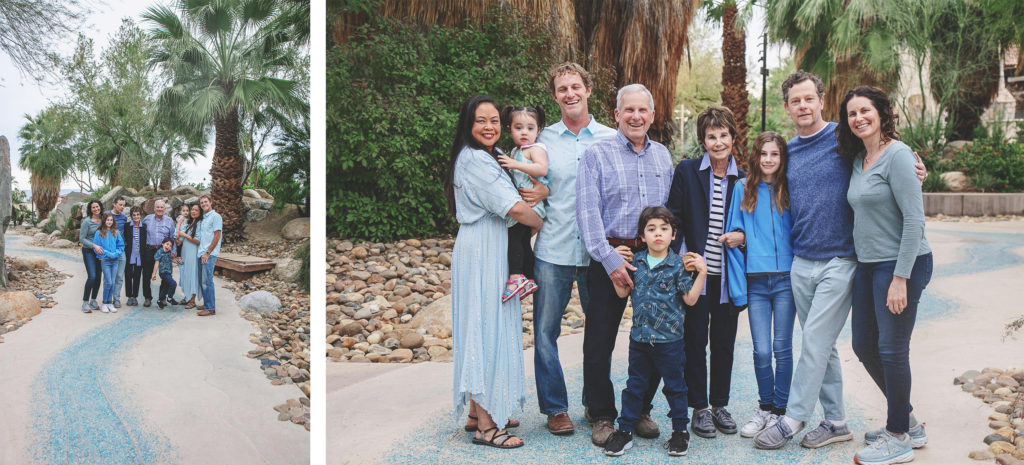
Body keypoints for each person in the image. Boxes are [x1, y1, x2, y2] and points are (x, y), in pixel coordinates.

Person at [753, 71, 926, 450]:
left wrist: (917, 173)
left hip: (842, 260)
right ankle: (837, 421)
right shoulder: (787, 150)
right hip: (802, 260)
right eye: (795, 101)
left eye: (808, 98)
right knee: (825, 344)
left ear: (820, 99)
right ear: (787, 107)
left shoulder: (842, 138)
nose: (803, 106)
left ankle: (793, 417)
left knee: (814, 338)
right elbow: (757, 180)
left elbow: (885, 155)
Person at [577, 83, 674, 446]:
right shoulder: (596, 154)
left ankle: (640, 408)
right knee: (598, 342)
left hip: (653, 260)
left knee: (655, 339)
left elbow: (668, 213)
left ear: (651, 115)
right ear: (616, 115)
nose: (636, 116)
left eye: (642, 110)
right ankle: (601, 414)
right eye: (628, 110)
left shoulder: (662, 156)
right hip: (610, 255)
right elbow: (587, 215)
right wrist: (610, 258)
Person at [839, 86, 932, 465]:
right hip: (868, 265)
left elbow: (914, 219)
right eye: (851, 114)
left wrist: (901, 278)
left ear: (881, 113)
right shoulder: (860, 157)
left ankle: (898, 438)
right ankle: (908, 420)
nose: (858, 118)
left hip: (901, 265)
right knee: (864, 346)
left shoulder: (897, 155)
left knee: (893, 351)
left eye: (865, 111)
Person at [444, 94, 543, 450]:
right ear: (468, 125)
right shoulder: (475, 161)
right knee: (484, 329)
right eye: (480, 120)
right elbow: (516, 208)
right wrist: (540, 221)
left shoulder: (486, 158)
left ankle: (476, 412)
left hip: (488, 245)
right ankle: (488, 428)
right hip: (483, 248)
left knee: (481, 324)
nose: (489, 127)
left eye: (494, 121)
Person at [531, 62, 616, 436]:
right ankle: (555, 408)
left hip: (598, 254)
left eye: (575, 86)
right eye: (562, 88)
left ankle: (595, 404)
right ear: (554, 96)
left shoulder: (612, 139)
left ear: (588, 89)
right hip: (554, 250)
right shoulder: (541, 141)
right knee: (545, 332)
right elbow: (530, 191)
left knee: (598, 333)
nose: (570, 93)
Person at [666, 105, 746, 439]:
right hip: (696, 275)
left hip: (729, 276)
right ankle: (699, 408)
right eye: (711, 136)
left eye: (723, 135)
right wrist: (677, 259)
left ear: (732, 137)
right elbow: (674, 216)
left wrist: (743, 237)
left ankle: (720, 404)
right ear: (703, 139)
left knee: (724, 342)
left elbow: (756, 222)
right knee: (695, 340)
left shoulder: (744, 178)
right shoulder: (687, 171)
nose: (717, 142)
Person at [603, 206, 707, 458]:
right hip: (639, 339)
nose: (658, 234)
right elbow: (622, 293)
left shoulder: (678, 265)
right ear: (642, 235)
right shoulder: (635, 262)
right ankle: (624, 431)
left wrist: (702, 272)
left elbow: (691, 300)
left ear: (673, 234)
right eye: (651, 229)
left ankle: (680, 432)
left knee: (675, 387)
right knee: (634, 386)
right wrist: (614, 266)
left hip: (670, 342)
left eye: (664, 229)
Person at [722, 131, 796, 438]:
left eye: (775, 154)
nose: (768, 160)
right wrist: (742, 242)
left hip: (786, 279)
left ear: (782, 158)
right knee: (762, 350)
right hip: (756, 281)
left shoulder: (790, 188)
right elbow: (732, 233)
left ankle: (781, 410)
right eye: (763, 154)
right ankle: (765, 407)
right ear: (756, 157)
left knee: (782, 347)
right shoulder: (742, 188)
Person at [496, 104, 548, 302]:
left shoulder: (535, 149)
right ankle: (529, 277)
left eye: (530, 128)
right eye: (519, 128)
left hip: (532, 204)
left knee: (515, 239)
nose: (524, 132)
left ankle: (516, 277)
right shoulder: (517, 150)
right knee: (523, 241)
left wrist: (514, 164)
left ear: (539, 130)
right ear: (509, 129)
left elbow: (542, 169)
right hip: (525, 203)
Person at [141, 200, 177, 307]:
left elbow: (173, 237)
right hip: (149, 249)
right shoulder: (147, 219)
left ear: (164, 209)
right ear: (154, 208)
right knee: (146, 275)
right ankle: (147, 298)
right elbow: (142, 233)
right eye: (158, 207)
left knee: (165, 275)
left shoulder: (169, 221)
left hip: (164, 251)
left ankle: (162, 298)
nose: (160, 209)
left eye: (162, 207)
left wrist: (173, 251)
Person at [93, 213, 125, 314]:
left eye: (111, 220)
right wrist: (108, 254)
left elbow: (121, 246)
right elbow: (97, 248)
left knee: (113, 282)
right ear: (104, 221)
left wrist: (115, 254)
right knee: (109, 282)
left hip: (115, 260)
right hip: (105, 261)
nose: (109, 222)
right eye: (107, 220)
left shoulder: (116, 232)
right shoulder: (99, 233)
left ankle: (110, 303)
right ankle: (104, 303)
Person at [196, 195, 222, 317]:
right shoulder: (204, 219)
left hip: (209, 254)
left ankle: (210, 308)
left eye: (206, 202)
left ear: (211, 202)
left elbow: (217, 236)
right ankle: (207, 303)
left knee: (207, 281)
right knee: (203, 281)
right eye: (201, 202)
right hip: (201, 253)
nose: (203, 204)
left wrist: (208, 253)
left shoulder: (216, 217)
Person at [79, 200, 104, 313]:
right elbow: (82, 238)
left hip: (101, 252)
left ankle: (93, 300)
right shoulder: (87, 222)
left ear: (100, 207)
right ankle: (85, 302)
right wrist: (94, 246)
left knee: (99, 277)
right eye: (93, 207)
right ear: (90, 209)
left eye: (97, 207)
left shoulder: (103, 219)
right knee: (92, 276)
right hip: (89, 251)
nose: (96, 209)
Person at [177, 204, 202, 308]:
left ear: (200, 212)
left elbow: (197, 240)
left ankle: (192, 300)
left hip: (192, 252)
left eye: (196, 210)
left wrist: (184, 235)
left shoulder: (200, 223)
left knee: (192, 275)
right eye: (192, 209)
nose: (193, 211)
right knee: (185, 274)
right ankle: (187, 296)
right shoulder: (188, 223)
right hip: (185, 252)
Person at [105, 197, 128, 309]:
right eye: (120, 205)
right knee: (108, 277)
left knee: (119, 276)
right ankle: (107, 299)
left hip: (121, 250)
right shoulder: (106, 215)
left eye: (124, 205)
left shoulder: (124, 218)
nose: (122, 207)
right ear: (114, 204)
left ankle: (116, 299)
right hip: (108, 250)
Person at [123, 207, 147, 307]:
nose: (136, 216)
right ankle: (129, 296)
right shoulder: (127, 226)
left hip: (140, 256)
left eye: (138, 214)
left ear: (140, 215)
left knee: (137, 276)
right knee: (128, 275)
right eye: (134, 215)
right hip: (129, 254)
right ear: (131, 216)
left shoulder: (144, 227)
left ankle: (135, 296)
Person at [152, 237, 179, 309]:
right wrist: (154, 274)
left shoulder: (169, 253)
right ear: (162, 244)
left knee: (165, 288)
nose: (168, 246)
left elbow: (170, 260)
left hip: (169, 273)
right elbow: (156, 264)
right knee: (173, 284)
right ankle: (170, 298)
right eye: (167, 244)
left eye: (170, 246)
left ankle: (159, 300)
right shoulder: (159, 252)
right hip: (163, 273)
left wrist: (177, 261)